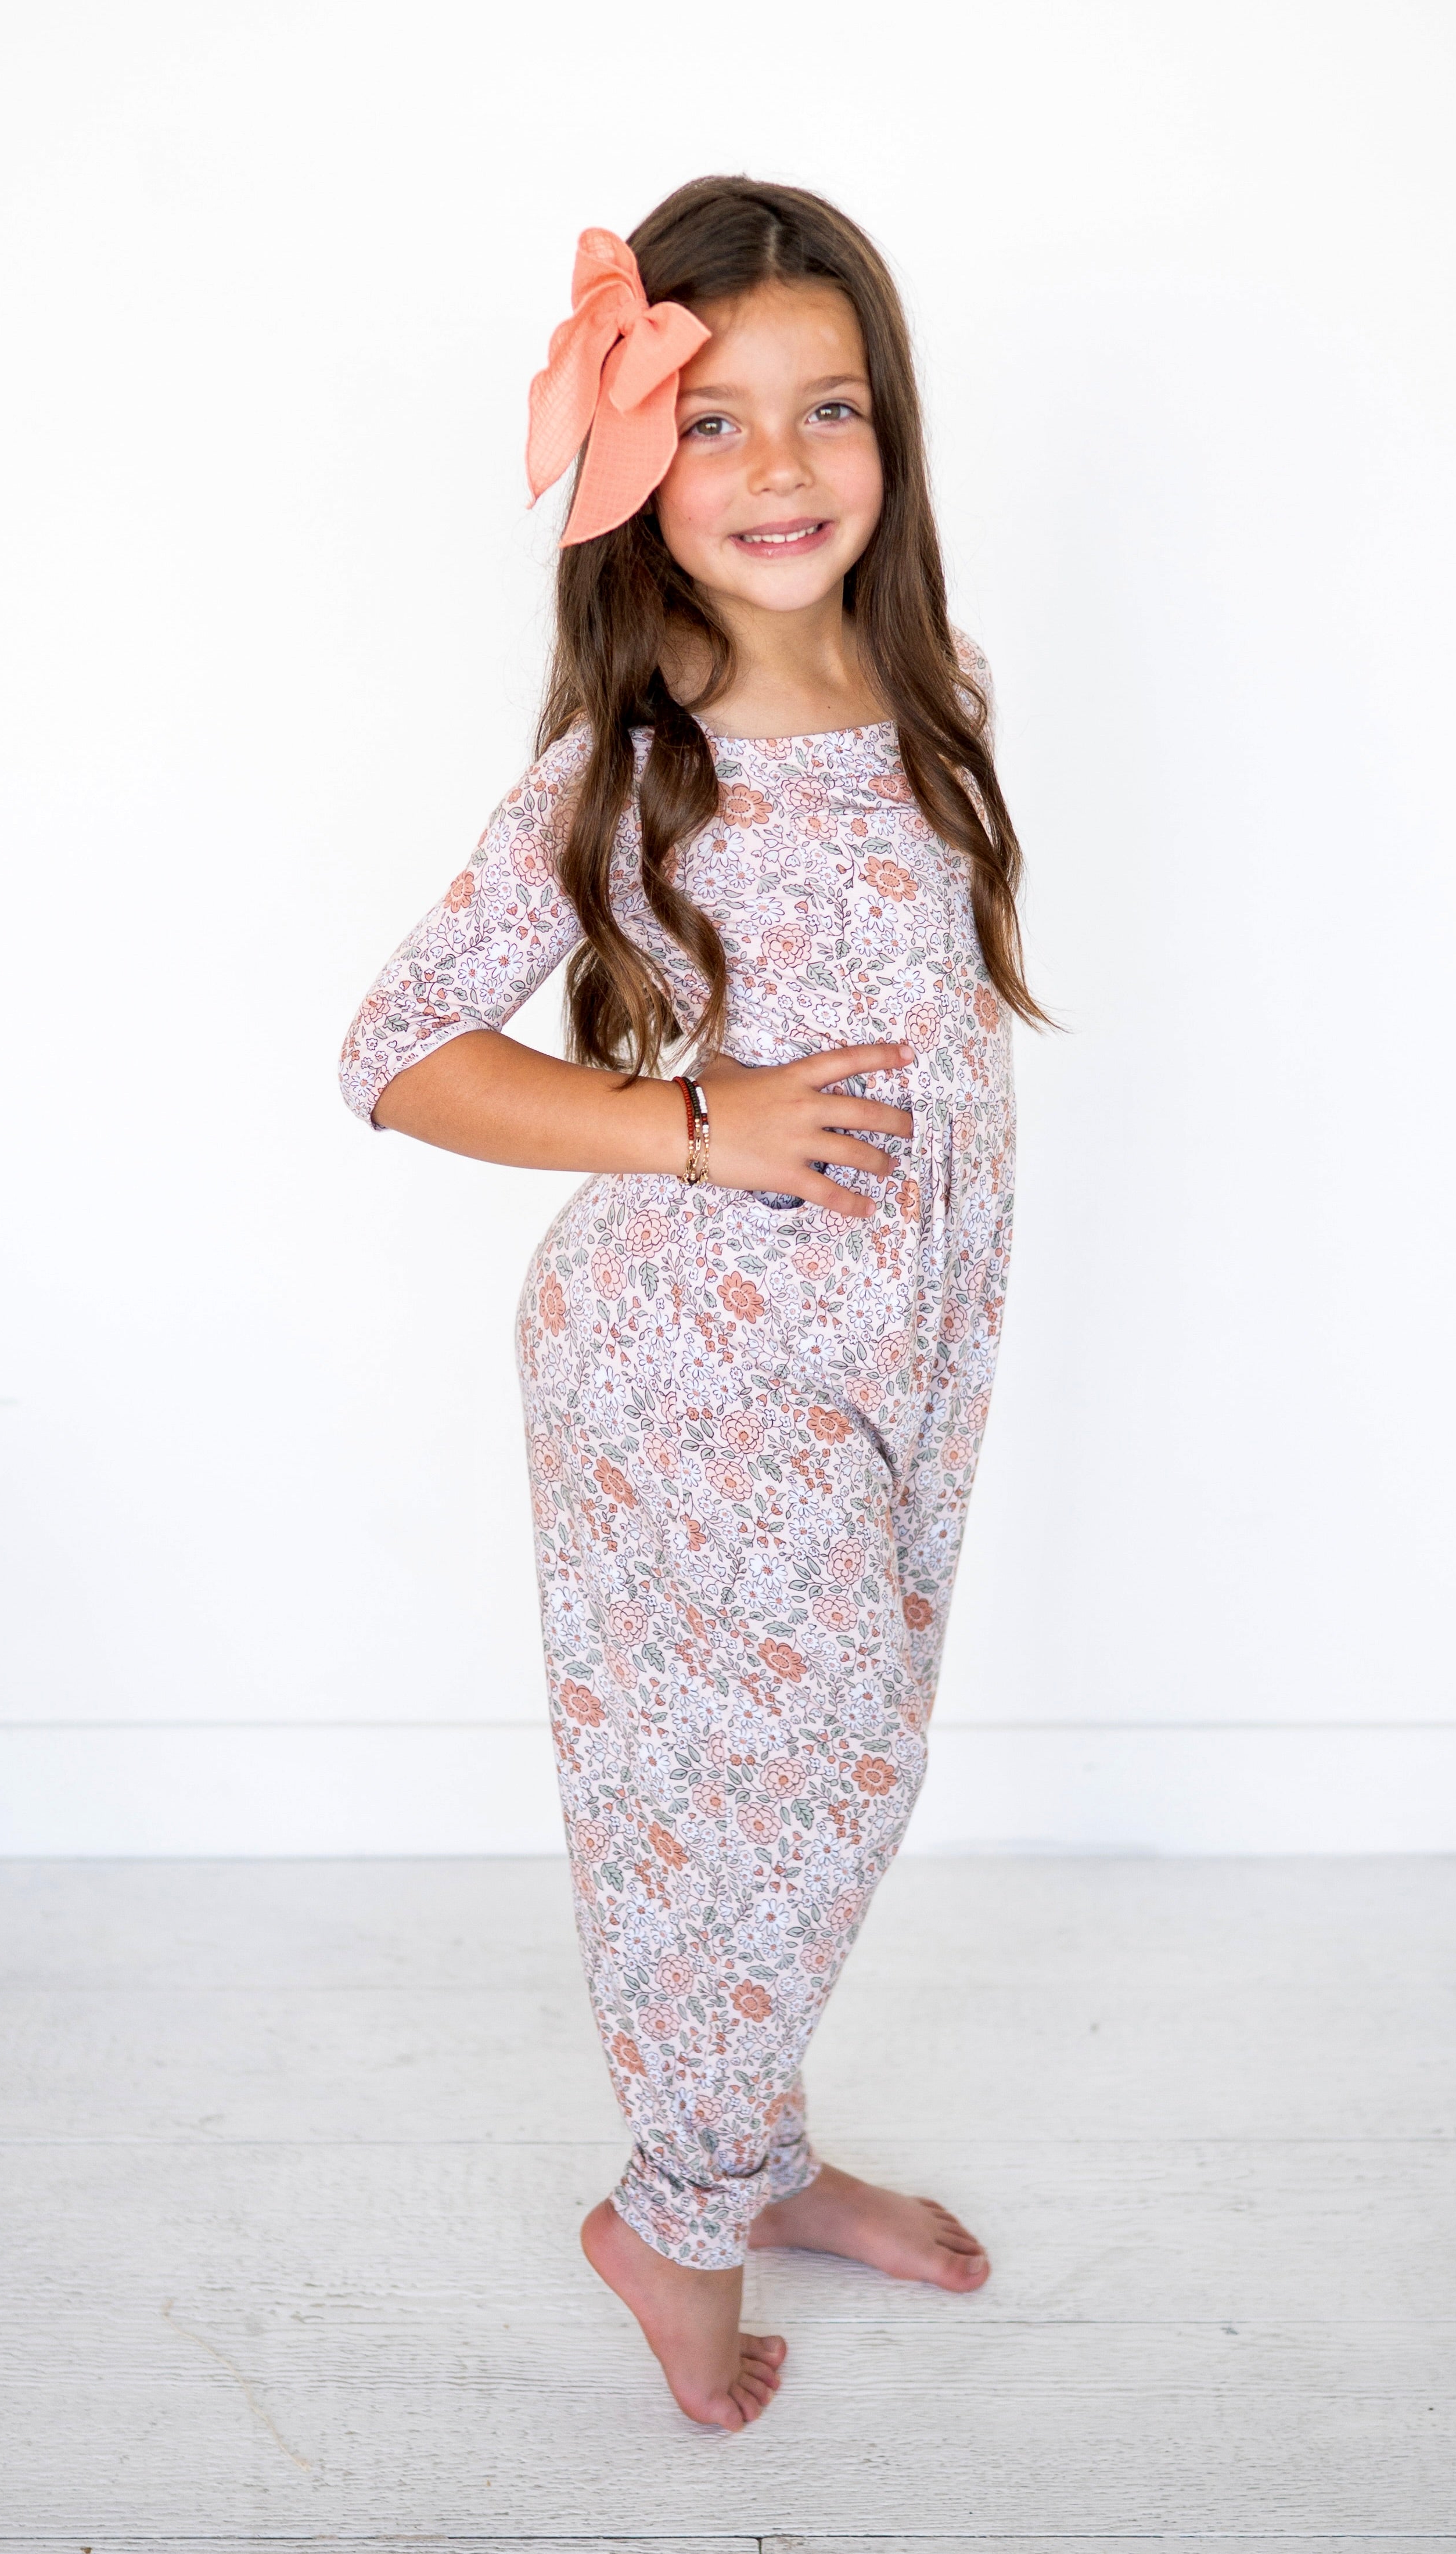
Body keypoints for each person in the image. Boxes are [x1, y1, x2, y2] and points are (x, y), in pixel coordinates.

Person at [339, 177, 1043, 2429]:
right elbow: (397, 1050)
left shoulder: (929, 693)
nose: (777, 466)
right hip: (692, 1356)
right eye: (713, 420)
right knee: (779, 1778)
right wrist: (681, 1121)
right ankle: (672, 2207)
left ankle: (757, 2140)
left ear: (890, 434)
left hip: (895, 1340)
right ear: (639, 471)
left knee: (825, 1767)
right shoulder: (630, 762)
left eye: (823, 408)